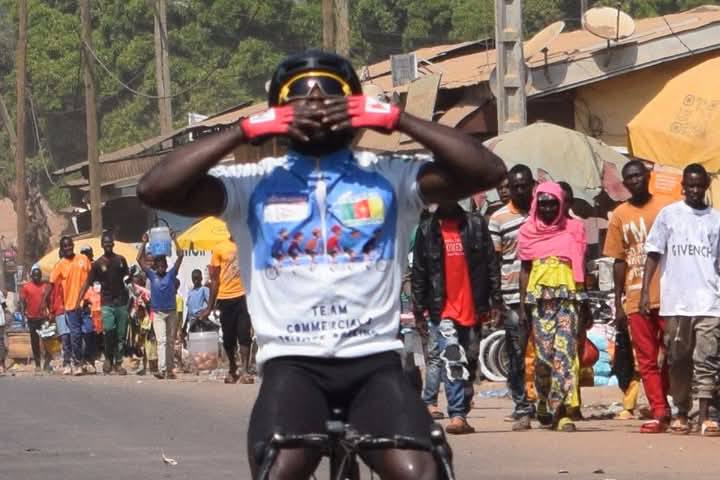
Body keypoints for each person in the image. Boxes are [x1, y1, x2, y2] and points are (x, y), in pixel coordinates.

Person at [137, 50, 505, 479]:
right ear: (279, 115)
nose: (314, 110)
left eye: (330, 101)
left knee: (422, 469)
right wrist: (247, 130)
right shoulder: (252, 183)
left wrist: (394, 119)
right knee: (280, 467)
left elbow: (488, 170)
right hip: (293, 364)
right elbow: (153, 188)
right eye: (299, 104)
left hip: (374, 362)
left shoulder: (389, 175)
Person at [641, 163, 720, 437]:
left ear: (706, 187)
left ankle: (706, 416)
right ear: (683, 186)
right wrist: (644, 293)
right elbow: (652, 254)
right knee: (678, 359)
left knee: (707, 358)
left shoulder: (716, 220)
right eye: (691, 185)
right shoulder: (669, 216)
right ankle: (682, 412)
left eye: (701, 185)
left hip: (709, 300)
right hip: (676, 301)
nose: (696, 190)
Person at [412, 201, 500, 434]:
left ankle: (463, 404)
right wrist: (418, 309)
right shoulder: (426, 229)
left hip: (473, 308)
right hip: (442, 309)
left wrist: (495, 300)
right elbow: (420, 271)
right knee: (452, 358)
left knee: (469, 361)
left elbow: (491, 263)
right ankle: (457, 415)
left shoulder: (476, 224)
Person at [602, 160, 671, 433]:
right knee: (646, 358)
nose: (634, 181)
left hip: (668, 293)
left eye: (638, 176)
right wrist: (618, 302)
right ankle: (659, 409)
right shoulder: (619, 214)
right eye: (628, 178)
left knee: (674, 353)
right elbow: (619, 261)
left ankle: (673, 402)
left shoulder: (666, 208)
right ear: (625, 182)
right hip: (633, 296)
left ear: (647, 176)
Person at [518, 182, 587, 432]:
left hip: (568, 300)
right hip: (539, 303)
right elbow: (525, 270)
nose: (548, 208)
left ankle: (562, 412)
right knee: (544, 359)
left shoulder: (575, 229)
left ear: (561, 204)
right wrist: (523, 305)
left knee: (565, 355)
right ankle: (544, 401)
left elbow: (582, 266)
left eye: (553, 203)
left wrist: (585, 304)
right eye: (543, 203)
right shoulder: (527, 231)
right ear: (537, 204)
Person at [488, 164, 536, 431]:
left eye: (523, 186)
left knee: (542, 352)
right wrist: (496, 300)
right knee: (516, 352)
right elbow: (493, 262)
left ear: (531, 185)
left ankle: (543, 402)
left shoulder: (545, 211)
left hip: (542, 293)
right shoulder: (498, 219)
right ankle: (521, 405)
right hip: (511, 296)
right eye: (514, 186)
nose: (519, 190)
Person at [78, 233, 130, 375]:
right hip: (106, 302)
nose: (108, 245)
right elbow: (87, 283)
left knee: (120, 335)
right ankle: (108, 358)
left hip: (121, 302)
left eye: (110, 243)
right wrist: (79, 300)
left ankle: (118, 364)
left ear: (113, 244)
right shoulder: (97, 264)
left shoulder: (121, 260)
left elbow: (128, 279)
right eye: (105, 243)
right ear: (102, 245)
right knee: (108, 331)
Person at [204, 236, 252, 384]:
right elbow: (214, 279)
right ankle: (232, 368)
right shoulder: (220, 248)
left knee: (244, 334)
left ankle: (245, 370)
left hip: (244, 296)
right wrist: (209, 307)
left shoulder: (248, 244)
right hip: (225, 298)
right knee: (228, 338)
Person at [138, 231, 184, 380]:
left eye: (163, 265)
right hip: (157, 313)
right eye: (158, 265)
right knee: (162, 341)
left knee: (170, 341)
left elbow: (181, 255)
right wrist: (144, 242)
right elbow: (139, 259)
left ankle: (170, 370)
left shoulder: (171, 274)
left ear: (166, 265)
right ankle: (162, 369)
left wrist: (175, 239)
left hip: (171, 312)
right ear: (155, 266)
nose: (161, 267)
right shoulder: (152, 275)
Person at [48, 236, 92, 376]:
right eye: (65, 246)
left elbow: (90, 278)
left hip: (85, 304)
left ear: (73, 245)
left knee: (88, 332)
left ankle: (84, 360)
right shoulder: (60, 264)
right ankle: (77, 363)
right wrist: (46, 303)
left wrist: (89, 297)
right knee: (75, 335)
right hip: (71, 306)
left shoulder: (83, 259)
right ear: (61, 248)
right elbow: (51, 282)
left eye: (69, 245)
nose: (68, 248)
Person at [19, 265, 52, 373]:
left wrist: (50, 312)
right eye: (35, 276)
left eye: (39, 276)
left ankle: (47, 362)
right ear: (32, 276)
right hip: (32, 318)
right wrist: (24, 312)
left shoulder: (45, 286)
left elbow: (49, 300)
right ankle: (37, 363)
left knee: (47, 340)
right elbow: (23, 301)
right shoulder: (26, 287)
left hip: (43, 317)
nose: (37, 278)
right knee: (35, 341)